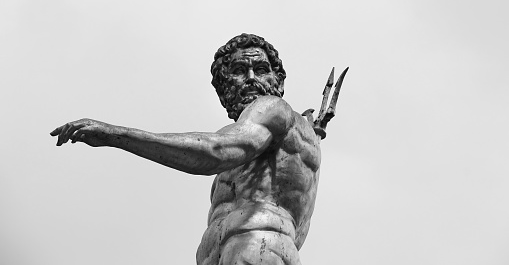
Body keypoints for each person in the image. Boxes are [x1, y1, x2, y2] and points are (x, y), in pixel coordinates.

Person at [51, 34, 321, 265]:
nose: (251, 78)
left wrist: (114, 135)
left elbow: (216, 151)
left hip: (257, 245)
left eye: (261, 69)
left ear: (279, 81)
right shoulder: (266, 146)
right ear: (224, 89)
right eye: (239, 70)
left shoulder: (274, 109)